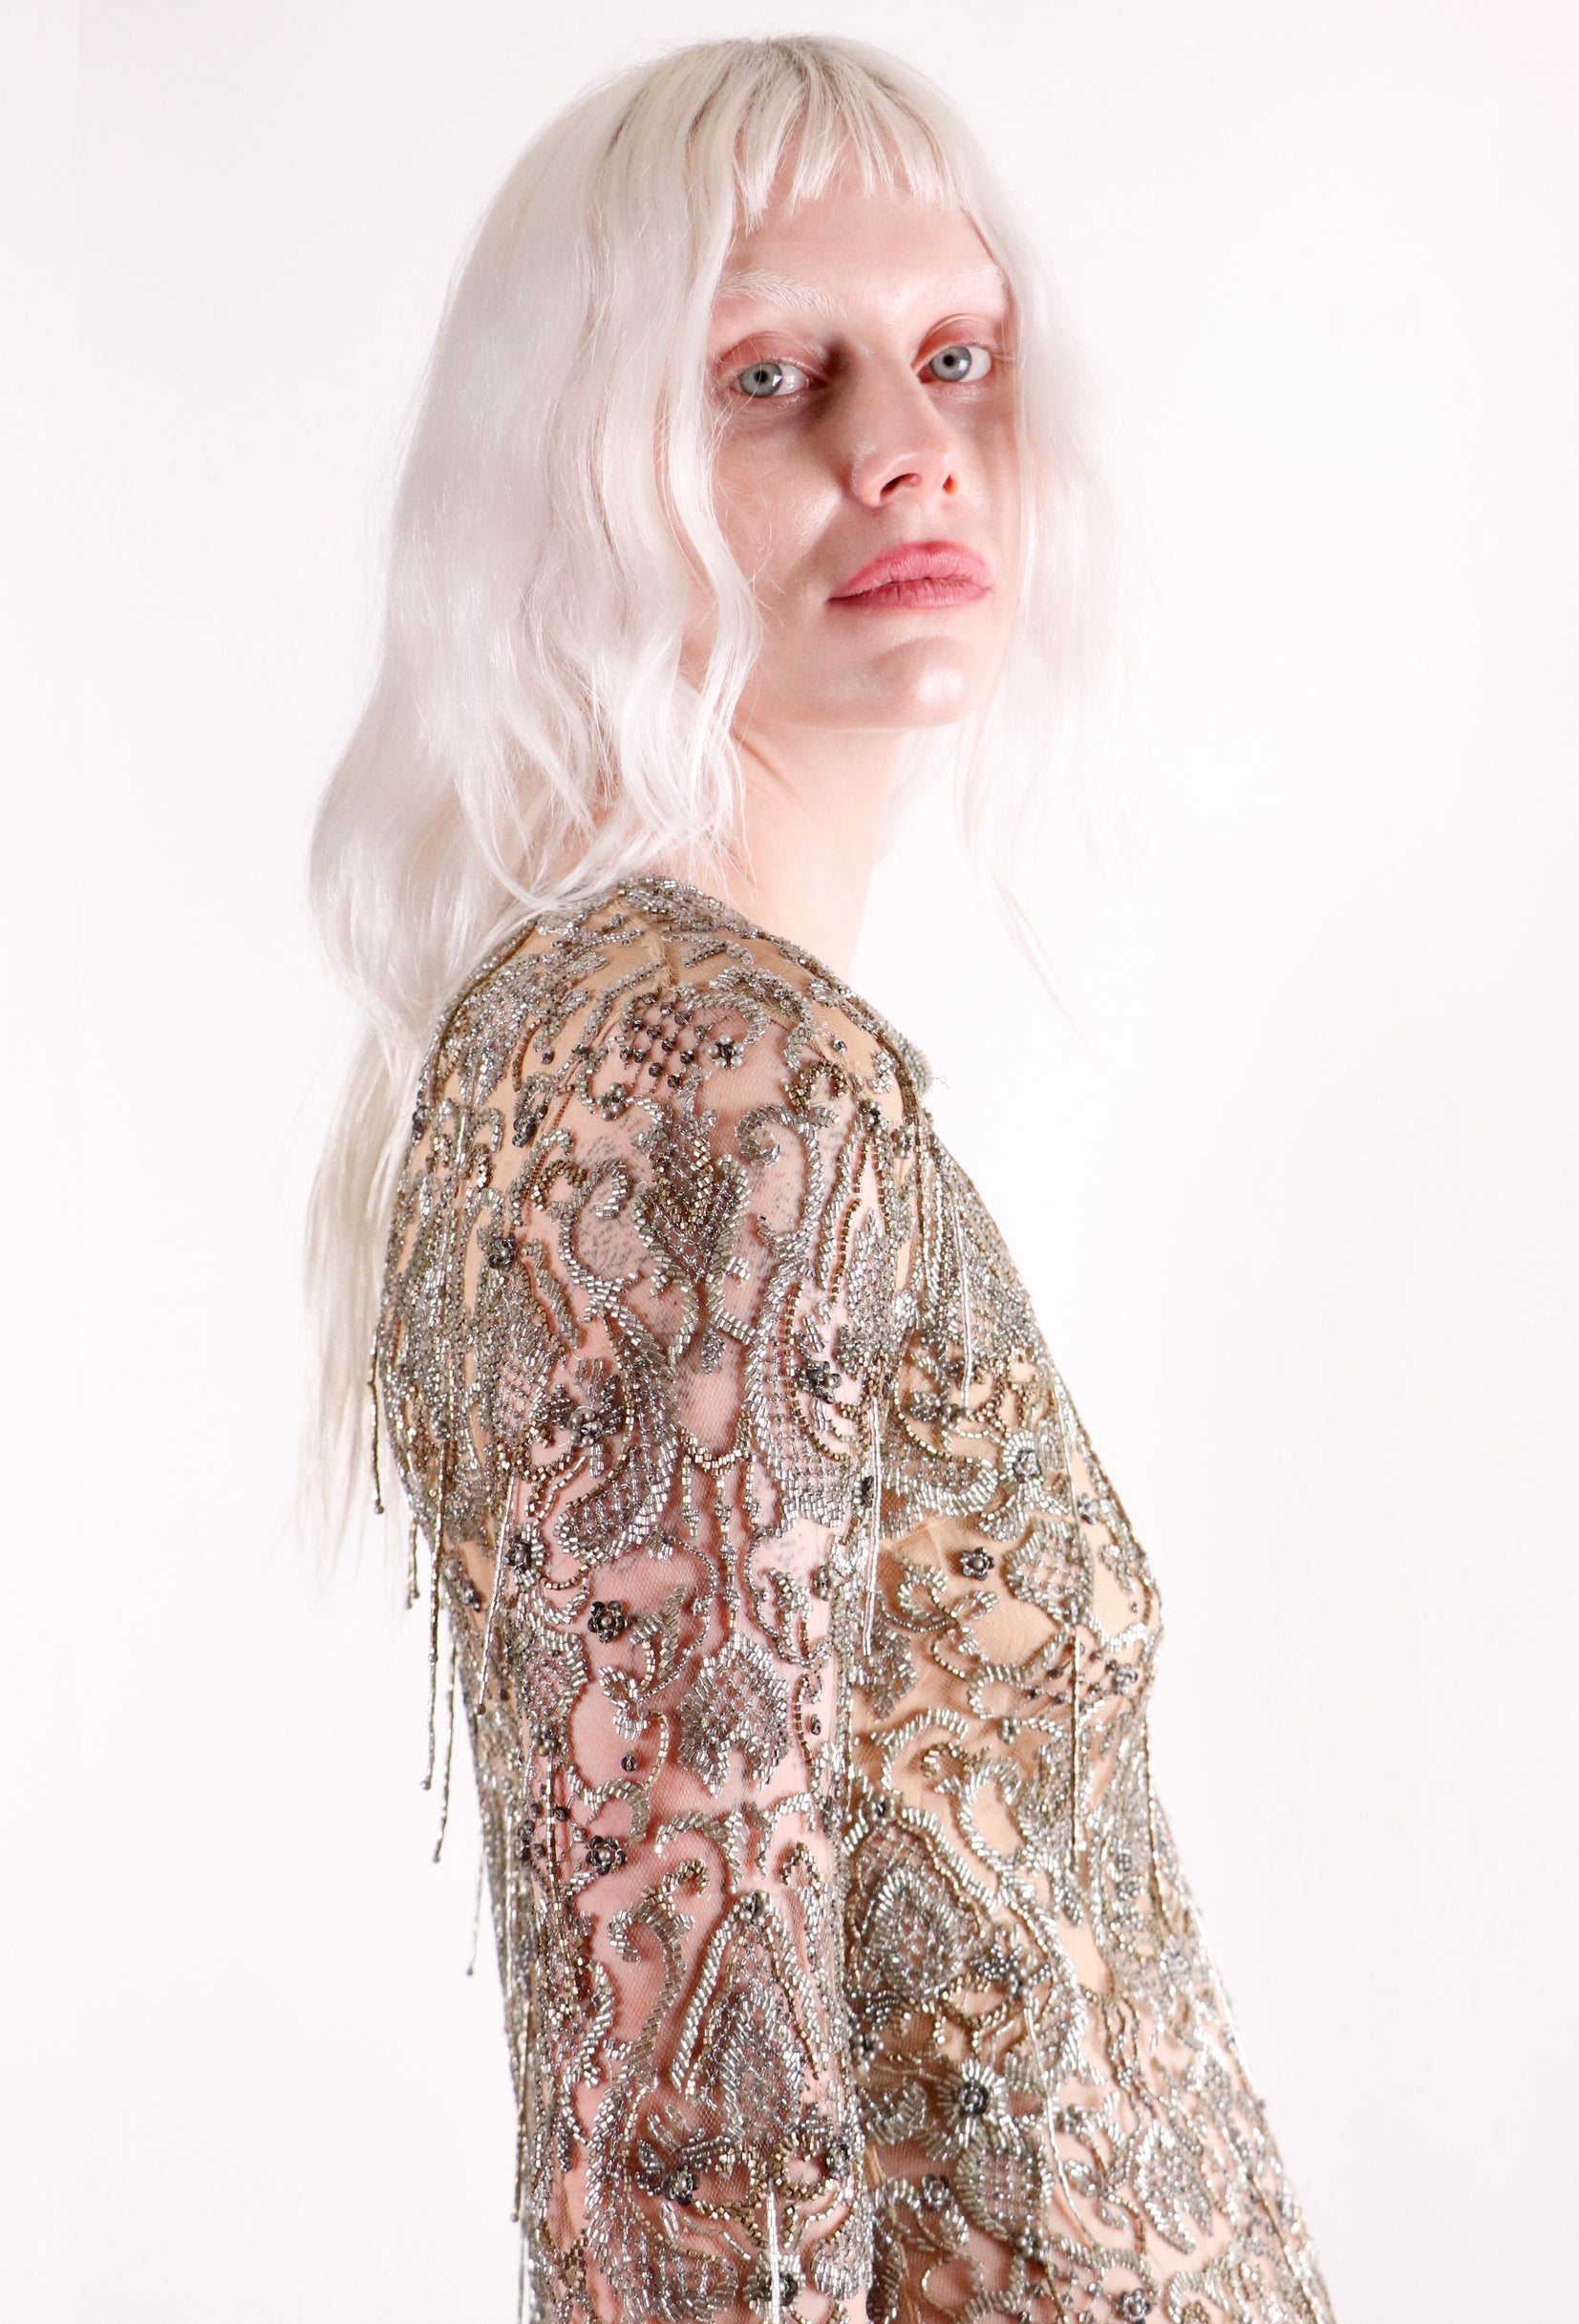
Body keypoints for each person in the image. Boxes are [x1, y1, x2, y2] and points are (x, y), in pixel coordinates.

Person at [308, 33, 1337, 2324]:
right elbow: (695, 2117)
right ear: (574, 469)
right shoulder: (710, 1078)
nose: (906, 446)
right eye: (771, 377)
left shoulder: (614, 1036)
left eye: (955, 357)